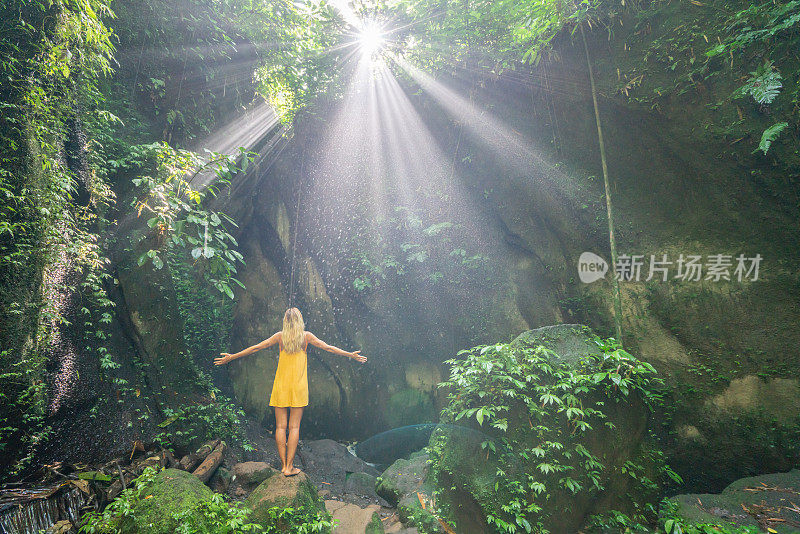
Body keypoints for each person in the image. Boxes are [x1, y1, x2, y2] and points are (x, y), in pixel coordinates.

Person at [214, 307, 366, 476]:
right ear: (300, 321)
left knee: (280, 427)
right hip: (298, 388)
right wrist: (350, 355)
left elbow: (256, 348)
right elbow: (328, 348)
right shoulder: (306, 337)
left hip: (281, 386)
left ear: (285, 321)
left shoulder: (280, 337)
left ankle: (283, 466)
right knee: (294, 428)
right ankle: (290, 467)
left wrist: (232, 357)